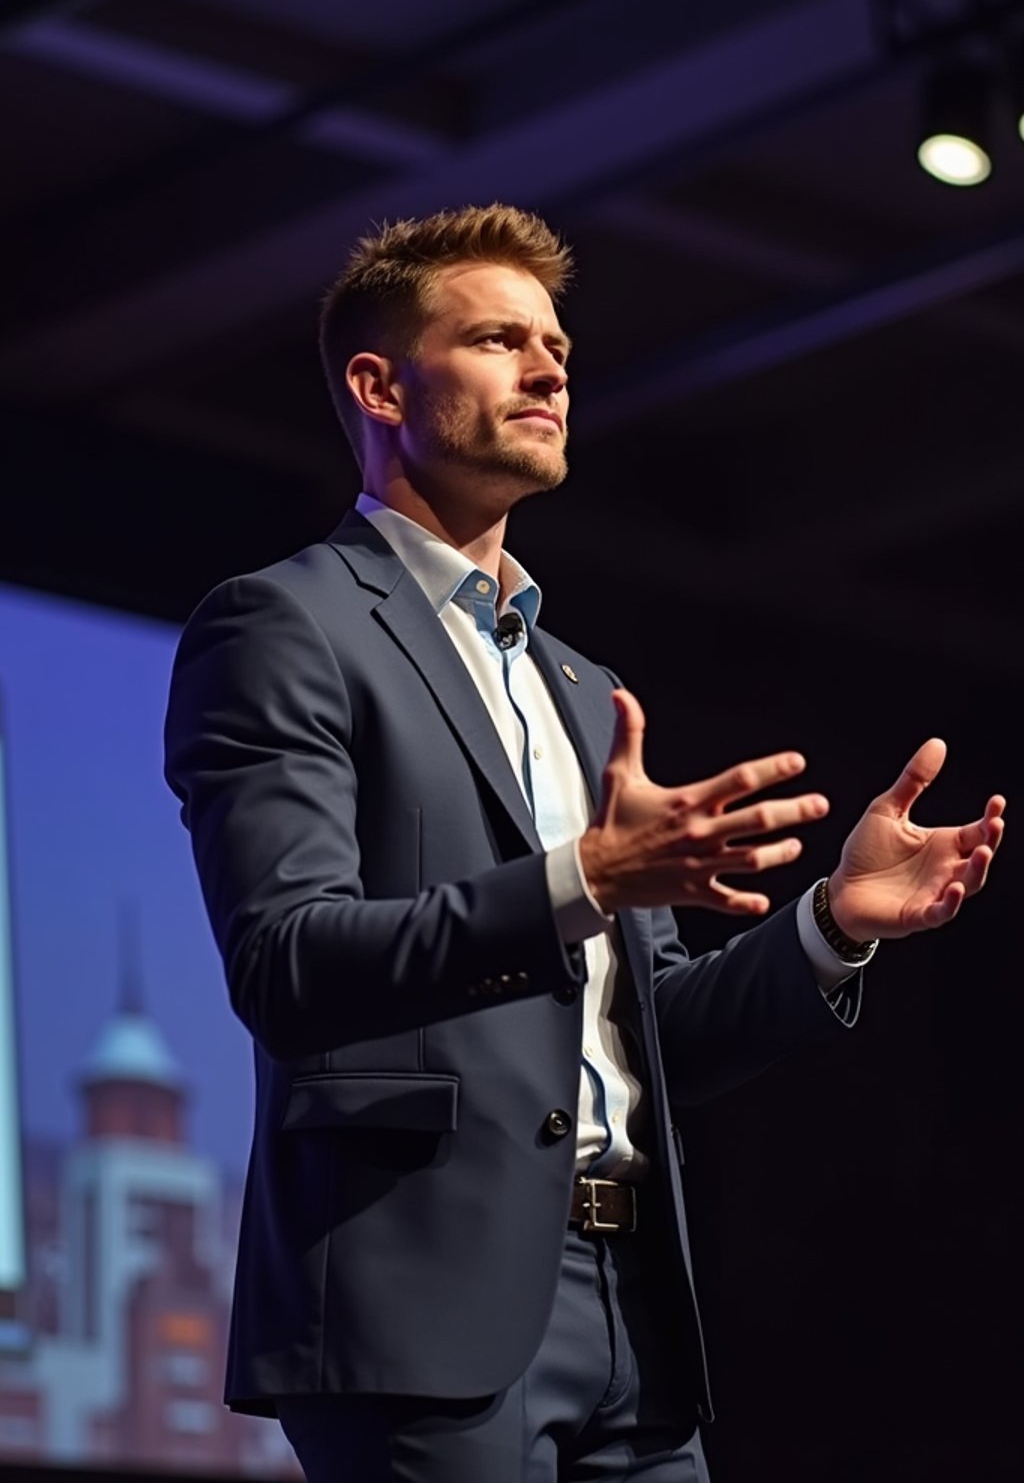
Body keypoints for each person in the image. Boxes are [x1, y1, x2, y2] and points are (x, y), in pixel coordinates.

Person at [163, 203, 1004, 1483]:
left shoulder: (574, 681)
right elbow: (288, 964)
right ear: (380, 384)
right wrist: (581, 879)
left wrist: (830, 929)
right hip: (421, 1303)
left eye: (555, 345)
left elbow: (658, 1035)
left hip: (633, 1306)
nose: (551, 369)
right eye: (500, 340)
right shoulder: (284, 627)